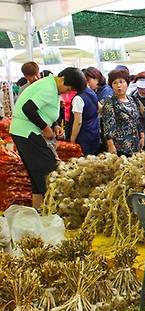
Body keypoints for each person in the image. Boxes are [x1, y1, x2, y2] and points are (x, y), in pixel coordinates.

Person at [10, 68, 86, 209]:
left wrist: (55, 125)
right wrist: (45, 128)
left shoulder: (52, 86)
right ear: (62, 79)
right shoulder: (49, 88)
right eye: (67, 88)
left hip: (25, 132)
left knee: (37, 176)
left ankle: (38, 211)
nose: (67, 92)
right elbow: (28, 108)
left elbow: (43, 109)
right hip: (27, 132)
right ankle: (53, 211)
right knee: (48, 174)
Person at [100, 69, 144, 157]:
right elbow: (108, 127)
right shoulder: (109, 103)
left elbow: (138, 120)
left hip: (135, 143)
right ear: (111, 86)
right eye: (114, 83)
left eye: (121, 82)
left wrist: (142, 136)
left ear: (127, 83)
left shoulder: (133, 99)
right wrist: (110, 145)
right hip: (120, 147)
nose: (118, 86)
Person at [69, 77, 101, 155]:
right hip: (94, 129)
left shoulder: (78, 98)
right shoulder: (91, 92)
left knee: (84, 161)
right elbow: (100, 107)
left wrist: (72, 140)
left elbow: (78, 122)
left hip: (83, 133)